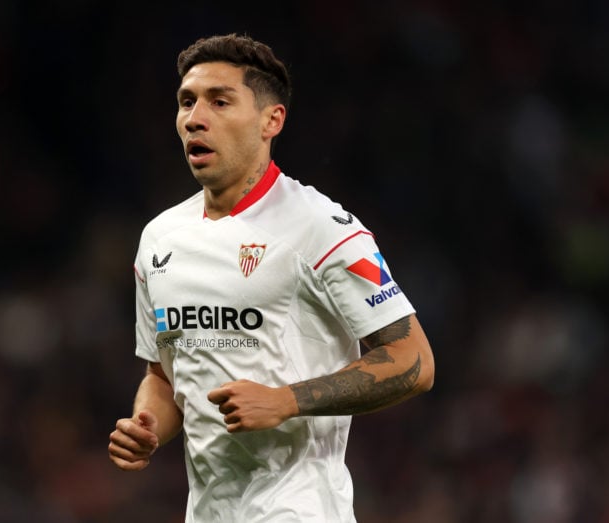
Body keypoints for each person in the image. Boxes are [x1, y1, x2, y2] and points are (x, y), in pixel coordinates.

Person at [108, 33, 435, 522]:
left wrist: (287, 401)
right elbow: (163, 372)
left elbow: (414, 361)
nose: (195, 118)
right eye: (186, 102)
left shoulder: (322, 227)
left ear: (271, 120)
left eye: (220, 101)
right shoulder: (159, 238)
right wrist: (147, 422)